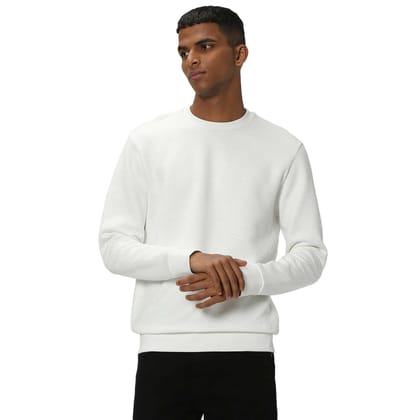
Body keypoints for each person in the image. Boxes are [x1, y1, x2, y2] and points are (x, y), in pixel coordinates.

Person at [98, 5, 328, 420]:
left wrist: (244, 280)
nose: (191, 60)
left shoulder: (283, 148)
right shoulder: (148, 141)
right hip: (163, 349)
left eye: (205, 46)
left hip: (247, 350)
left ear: (240, 54)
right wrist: (192, 259)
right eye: (183, 51)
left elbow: (311, 255)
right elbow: (113, 246)